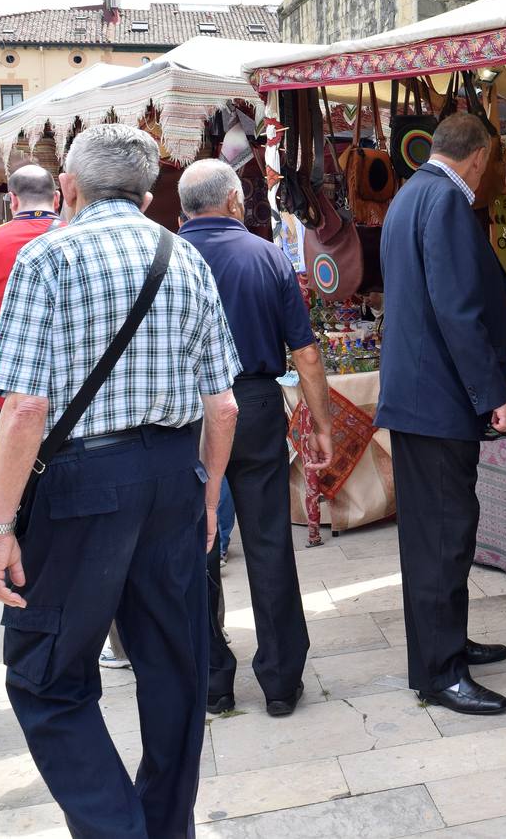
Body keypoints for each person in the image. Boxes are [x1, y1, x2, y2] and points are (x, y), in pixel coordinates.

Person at [0, 123, 241, 837]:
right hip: (170, 476)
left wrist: (1, 528)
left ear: (69, 185)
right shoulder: (184, 257)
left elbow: (26, 405)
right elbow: (223, 404)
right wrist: (210, 497)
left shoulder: (49, 255)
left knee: (45, 674)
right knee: (173, 672)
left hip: (82, 483)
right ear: (150, 192)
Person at [176, 158, 333, 717]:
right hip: (255, 403)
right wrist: (322, 422)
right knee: (268, 541)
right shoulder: (267, 256)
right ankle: (280, 680)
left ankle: (213, 679)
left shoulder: (166, 256)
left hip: (187, 411)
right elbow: (306, 353)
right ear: (235, 203)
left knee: (197, 543)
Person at [378, 112, 506, 716]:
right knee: (442, 537)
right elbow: (457, 309)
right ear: (480, 156)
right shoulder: (449, 203)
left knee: (439, 535)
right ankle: (439, 672)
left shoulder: (412, 195)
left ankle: (445, 645)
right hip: (438, 400)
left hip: (419, 396)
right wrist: (493, 393)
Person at [0, 165, 65, 462]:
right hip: (78, 376)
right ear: (56, 199)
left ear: (12, 200)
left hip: (12, 383)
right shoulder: (82, 236)